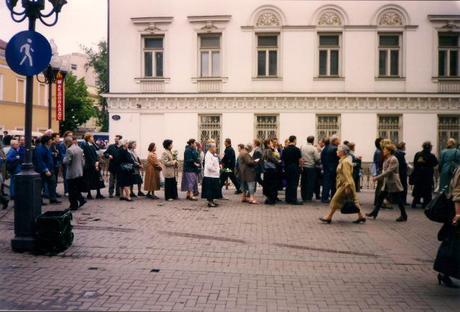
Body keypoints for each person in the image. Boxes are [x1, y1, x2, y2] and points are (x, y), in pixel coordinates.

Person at [320, 145, 366, 224]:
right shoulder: (343, 160)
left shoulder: (345, 162)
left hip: (345, 184)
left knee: (335, 199)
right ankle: (361, 216)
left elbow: (347, 175)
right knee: (354, 200)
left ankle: (329, 217)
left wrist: (347, 187)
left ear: (342, 152)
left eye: (338, 150)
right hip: (345, 184)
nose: (336, 151)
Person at [433, 165, 460, 288]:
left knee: (451, 241)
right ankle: (444, 272)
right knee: (452, 242)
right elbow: (458, 193)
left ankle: (444, 272)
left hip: (454, 211)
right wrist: (458, 213)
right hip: (456, 212)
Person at [367, 144, 408, 222]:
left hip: (393, 182)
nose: (383, 151)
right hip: (387, 182)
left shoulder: (393, 159)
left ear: (389, 151)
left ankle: (404, 215)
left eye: (385, 150)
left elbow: (389, 171)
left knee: (399, 199)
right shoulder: (387, 159)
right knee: (380, 198)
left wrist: (377, 177)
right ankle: (374, 212)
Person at [412, 141, 438, 208]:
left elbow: (415, 163)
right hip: (427, 175)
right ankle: (425, 204)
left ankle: (414, 202)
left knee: (418, 188)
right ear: (430, 148)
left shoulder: (418, 154)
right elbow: (435, 163)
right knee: (427, 190)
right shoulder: (431, 155)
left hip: (419, 174)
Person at [35, 135, 60, 204]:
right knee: (41, 186)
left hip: (50, 169)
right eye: (50, 140)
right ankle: (39, 200)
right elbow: (40, 160)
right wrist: (45, 170)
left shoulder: (48, 148)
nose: (51, 141)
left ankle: (53, 198)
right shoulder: (40, 149)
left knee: (53, 183)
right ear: (47, 142)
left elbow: (48, 158)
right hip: (43, 171)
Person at [62, 136, 86, 210]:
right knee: (77, 188)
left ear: (67, 142)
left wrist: (64, 159)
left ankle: (73, 205)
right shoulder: (79, 149)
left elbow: (67, 161)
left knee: (71, 190)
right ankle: (81, 200)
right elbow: (83, 161)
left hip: (72, 173)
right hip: (79, 172)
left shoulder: (69, 150)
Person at [81, 133, 105, 200]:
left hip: (95, 164)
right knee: (89, 180)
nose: (93, 139)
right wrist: (95, 164)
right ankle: (89, 194)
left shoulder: (93, 145)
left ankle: (98, 193)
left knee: (97, 179)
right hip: (90, 165)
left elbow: (96, 154)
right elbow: (89, 156)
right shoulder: (86, 146)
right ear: (88, 138)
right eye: (92, 137)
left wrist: (97, 162)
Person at [282, 135, 302, 205]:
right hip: (294, 168)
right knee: (294, 184)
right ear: (294, 140)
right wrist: (301, 167)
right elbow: (300, 160)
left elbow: (283, 159)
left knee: (288, 183)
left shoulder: (285, 149)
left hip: (287, 168)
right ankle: (293, 199)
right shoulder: (297, 149)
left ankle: (288, 198)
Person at [202, 142, 222, 207]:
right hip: (210, 175)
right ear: (211, 148)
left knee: (213, 189)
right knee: (210, 190)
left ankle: (212, 201)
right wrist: (216, 170)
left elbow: (216, 162)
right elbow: (209, 166)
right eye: (214, 147)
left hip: (214, 175)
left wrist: (219, 165)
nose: (215, 148)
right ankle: (210, 202)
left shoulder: (213, 154)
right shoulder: (208, 155)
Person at [300, 136, 320, 201]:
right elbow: (317, 158)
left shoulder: (302, 147)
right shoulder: (314, 148)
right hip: (311, 167)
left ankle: (303, 196)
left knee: (303, 183)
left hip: (303, 167)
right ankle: (308, 197)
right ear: (313, 141)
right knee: (310, 183)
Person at [321, 135, 340, 203]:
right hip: (333, 169)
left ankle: (324, 198)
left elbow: (322, 158)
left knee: (326, 184)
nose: (339, 141)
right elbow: (338, 159)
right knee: (333, 185)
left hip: (326, 168)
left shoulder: (325, 148)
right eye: (338, 140)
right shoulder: (335, 148)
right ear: (334, 141)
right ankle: (333, 198)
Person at [262, 139, 280, 205]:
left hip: (266, 170)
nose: (272, 144)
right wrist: (278, 161)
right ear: (268, 144)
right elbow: (272, 159)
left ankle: (268, 198)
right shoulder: (269, 150)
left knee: (267, 184)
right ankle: (271, 200)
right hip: (271, 169)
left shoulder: (264, 150)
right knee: (272, 185)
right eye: (271, 143)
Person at [58, 131, 72, 196]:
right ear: (65, 136)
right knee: (66, 176)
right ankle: (66, 191)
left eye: (71, 135)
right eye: (69, 135)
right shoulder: (62, 144)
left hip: (70, 162)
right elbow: (62, 155)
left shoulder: (70, 144)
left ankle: (69, 190)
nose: (71, 137)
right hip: (66, 162)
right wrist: (69, 159)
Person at [50, 133, 62, 197]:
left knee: (55, 179)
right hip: (53, 164)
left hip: (56, 164)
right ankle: (52, 193)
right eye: (57, 137)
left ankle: (54, 192)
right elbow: (53, 154)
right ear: (54, 138)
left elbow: (58, 154)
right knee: (53, 180)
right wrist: (55, 153)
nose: (58, 138)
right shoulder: (52, 145)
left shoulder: (57, 145)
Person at [372, 138, 384, 205]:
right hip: (379, 170)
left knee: (379, 186)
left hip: (378, 170)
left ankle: (377, 201)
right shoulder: (379, 152)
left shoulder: (378, 151)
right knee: (380, 186)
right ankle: (378, 202)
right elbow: (378, 163)